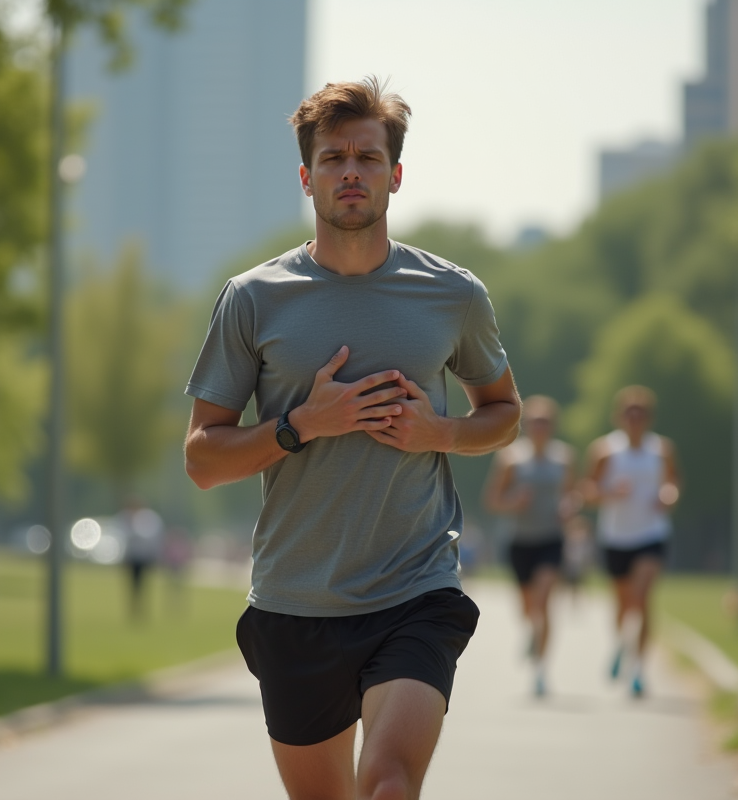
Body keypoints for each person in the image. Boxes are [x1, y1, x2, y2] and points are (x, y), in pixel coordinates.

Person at [182, 77, 521, 800]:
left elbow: (504, 413)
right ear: (307, 177)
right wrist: (301, 425)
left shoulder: (453, 294)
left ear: (395, 175)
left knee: (388, 784)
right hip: (296, 603)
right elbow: (203, 459)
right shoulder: (253, 299)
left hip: (415, 589)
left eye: (368, 158)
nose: (351, 173)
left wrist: (439, 432)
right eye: (333, 158)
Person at [582, 386, 679, 698]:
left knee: (642, 598)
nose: (635, 418)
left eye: (641, 413)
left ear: (649, 418)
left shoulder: (662, 449)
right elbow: (588, 491)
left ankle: (639, 671)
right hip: (616, 537)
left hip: (652, 533)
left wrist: (669, 496)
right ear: (619, 417)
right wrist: (611, 494)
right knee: (623, 605)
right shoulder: (605, 450)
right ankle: (622, 646)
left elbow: (673, 482)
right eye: (629, 412)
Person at [482, 395, 576, 697]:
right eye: (534, 422)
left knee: (544, 600)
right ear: (526, 425)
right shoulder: (511, 458)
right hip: (520, 541)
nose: (540, 427)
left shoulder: (564, 457)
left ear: (552, 426)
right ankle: (532, 631)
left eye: (545, 422)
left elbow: (573, 494)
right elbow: (493, 500)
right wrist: (514, 502)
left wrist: (569, 506)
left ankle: (540, 671)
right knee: (528, 608)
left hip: (551, 538)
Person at [118, 500, 163, 620]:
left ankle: (142, 608)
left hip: (144, 557)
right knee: (132, 584)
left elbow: (152, 537)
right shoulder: (124, 518)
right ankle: (133, 608)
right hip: (132, 557)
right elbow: (122, 538)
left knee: (143, 584)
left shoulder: (148, 518)